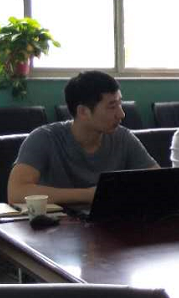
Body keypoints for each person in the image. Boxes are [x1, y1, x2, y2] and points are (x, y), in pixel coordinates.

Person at [8, 70, 156, 205]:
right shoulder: (44, 138)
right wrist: (90, 195)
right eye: (112, 107)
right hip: (57, 223)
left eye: (120, 104)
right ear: (83, 111)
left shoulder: (123, 137)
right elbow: (16, 192)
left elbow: (158, 182)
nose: (121, 114)